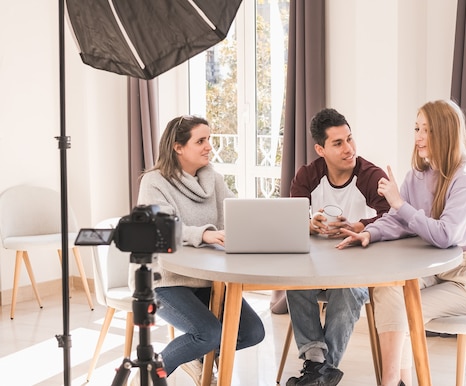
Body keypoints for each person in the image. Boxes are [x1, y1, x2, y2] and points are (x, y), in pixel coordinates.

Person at [337, 99, 466, 386]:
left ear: (446, 133)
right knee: (388, 290)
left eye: (427, 130)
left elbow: (445, 235)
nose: (419, 137)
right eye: (417, 128)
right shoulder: (418, 174)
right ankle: (397, 381)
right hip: (437, 271)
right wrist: (369, 233)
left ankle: (390, 384)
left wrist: (399, 203)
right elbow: (399, 219)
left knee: (405, 309)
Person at [133, 115, 265, 385]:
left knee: (252, 332)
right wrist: (204, 233)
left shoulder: (212, 179)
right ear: (178, 147)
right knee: (208, 333)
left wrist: (264, 226)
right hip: (163, 280)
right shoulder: (154, 181)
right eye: (201, 141)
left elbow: (236, 214)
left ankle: (195, 356)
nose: (209, 147)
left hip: (207, 279)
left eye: (209, 140)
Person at [285, 108, 391, 386]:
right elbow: (290, 217)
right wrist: (308, 224)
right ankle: (320, 366)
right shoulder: (308, 175)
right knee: (293, 282)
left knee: (348, 290)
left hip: (358, 270)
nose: (349, 148)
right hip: (315, 268)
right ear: (320, 149)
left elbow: (393, 217)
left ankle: (318, 369)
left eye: (350, 139)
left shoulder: (370, 176)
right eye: (338, 143)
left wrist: (361, 226)